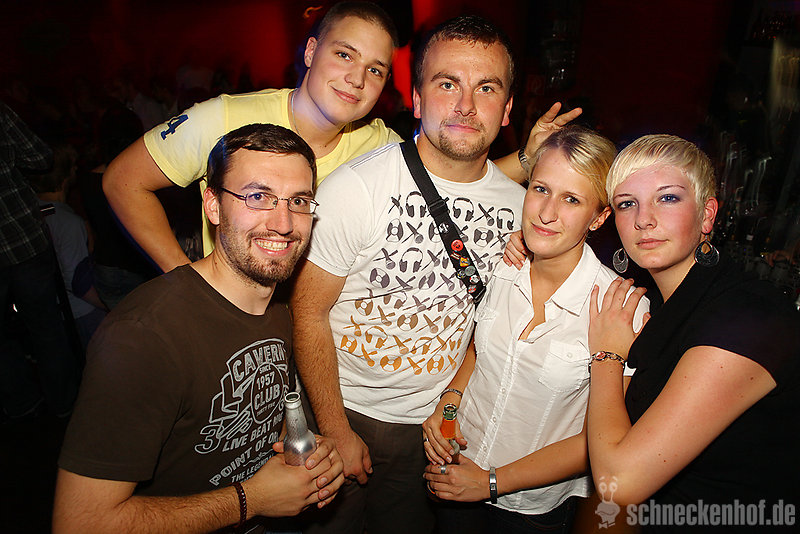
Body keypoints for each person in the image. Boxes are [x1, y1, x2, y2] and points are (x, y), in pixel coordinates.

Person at [290, 15, 529, 534]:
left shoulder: (524, 213)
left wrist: (452, 404)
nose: (466, 105)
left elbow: (494, 326)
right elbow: (307, 311)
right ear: (417, 99)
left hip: (432, 429)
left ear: (508, 108)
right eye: (448, 84)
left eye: (486, 88)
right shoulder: (357, 188)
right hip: (338, 408)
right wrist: (335, 429)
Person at [53, 124, 344, 534]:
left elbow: (258, 417)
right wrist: (251, 499)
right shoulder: (142, 338)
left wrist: (306, 451)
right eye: (258, 196)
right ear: (213, 206)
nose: (283, 223)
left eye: (298, 201)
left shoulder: (277, 305)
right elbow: (80, 523)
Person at [421, 126, 649, 534]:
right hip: (456, 471)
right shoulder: (504, 263)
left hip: (530, 511)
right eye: (541, 189)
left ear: (599, 217)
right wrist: (447, 406)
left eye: (572, 199)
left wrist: (491, 483)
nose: (546, 213)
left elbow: (598, 441)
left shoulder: (620, 309)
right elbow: (481, 352)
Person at [586, 135, 800, 532]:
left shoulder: (746, 318)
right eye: (627, 203)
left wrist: (607, 357)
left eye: (667, 198)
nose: (644, 219)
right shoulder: (661, 303)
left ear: (707, 215)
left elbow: (620, 484)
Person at [102, 1, 402, 272]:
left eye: (375, 70)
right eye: (344, 55)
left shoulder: (384, 149)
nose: (357, 79)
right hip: (232, 313)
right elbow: (123, 181)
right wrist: (186, 281)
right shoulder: (223, 118)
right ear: (311, 52)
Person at [0, 101, 78, 420]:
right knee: (46, 327)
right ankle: (64, 404)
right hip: (22, 240)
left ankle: (22, 403)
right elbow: (40, 156)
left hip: (21, 243)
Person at [32, 143, 107, 350]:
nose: (76, 170)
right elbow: (78, 281)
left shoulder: (33, 212)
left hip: (56, 311)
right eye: (73, 166)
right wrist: (111, 306)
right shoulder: (68, 223)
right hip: (84, 312)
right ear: (65, 175)